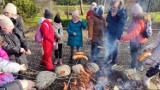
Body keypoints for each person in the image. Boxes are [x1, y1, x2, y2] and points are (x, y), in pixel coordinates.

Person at [121, 3, 149, 71]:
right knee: (139, 54)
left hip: (136, 41)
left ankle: (133, 67)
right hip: (141, 41)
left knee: (134, 54)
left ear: (137, 13)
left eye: (133, 12)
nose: (132, 14)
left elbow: (134, 33)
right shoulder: (141, 18)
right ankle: (139, 66)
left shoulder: (139, 21)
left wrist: (123, 38)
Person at [104, 0, 127, 66]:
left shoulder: (122, 13)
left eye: (114, 7)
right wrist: (111, 15)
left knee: (115, 47)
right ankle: (108, 58)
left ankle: (114, 60)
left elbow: (121, 26)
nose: (112, 8)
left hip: (116, 33)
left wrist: (118, 38)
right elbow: (107, 20)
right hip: (110, 32)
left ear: (119, 5)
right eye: (111, 7)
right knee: (108, 45)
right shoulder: (110, 10)